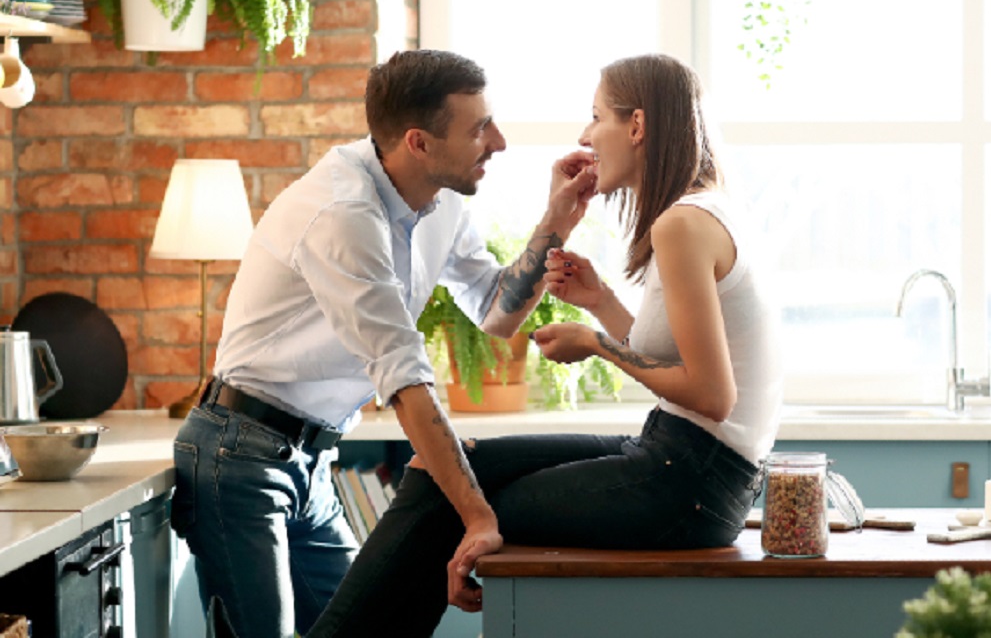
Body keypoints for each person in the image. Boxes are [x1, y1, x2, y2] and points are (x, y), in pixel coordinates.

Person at [307, 53, 782, 637]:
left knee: (455, 498)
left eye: (596, 116)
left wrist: (598, 344)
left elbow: (711, 395)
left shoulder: (681, 224)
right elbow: (685, 360)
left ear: (636, 127)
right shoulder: (702, 210)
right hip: (683, 462)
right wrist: (600, 300)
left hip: (690, 482)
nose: (585, 135)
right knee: (446, 466)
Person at [170, 49, 600, 638]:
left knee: (359, 626)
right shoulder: (344, 213)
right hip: (238, 456)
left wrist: (558, 218)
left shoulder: (441, 200)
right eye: (479, 128)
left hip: (310, 460)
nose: (497, 142)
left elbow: (496, 312)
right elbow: (404, 378)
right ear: (418, 142)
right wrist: (477, 519)